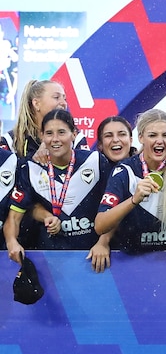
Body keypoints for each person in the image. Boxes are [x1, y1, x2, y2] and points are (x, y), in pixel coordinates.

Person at [4, 110, 113, 272]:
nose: (55, 139)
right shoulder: (30, 168)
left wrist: (103, 242)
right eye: (49, 133)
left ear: (74, 134)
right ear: (41, 136)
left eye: (61, 132)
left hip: (92, 257)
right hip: (51, 261)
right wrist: (12, 242)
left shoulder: (95, 161)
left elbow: (113, 210)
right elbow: (14, 217)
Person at [95, 108, 166, 253]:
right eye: (153, 135)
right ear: (141, 137)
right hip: (134, 260)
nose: (160, 141)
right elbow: (100, 225)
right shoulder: (125, 171)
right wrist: (134, 200)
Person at [0, 79, 89, 157]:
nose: (63, 103)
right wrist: (36, 161)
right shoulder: (10, 141)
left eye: (64, 99)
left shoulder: (75, 136)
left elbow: (86, 170)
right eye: (56, 97)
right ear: (36, 103)